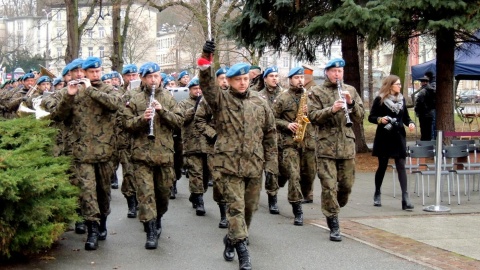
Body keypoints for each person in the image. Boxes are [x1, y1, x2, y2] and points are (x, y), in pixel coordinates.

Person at [198, 40, 278, 270]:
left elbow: (270, 133)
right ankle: (243, 251)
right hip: (228, 165)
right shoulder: (220, 99)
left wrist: (271, 164)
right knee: (235, 208)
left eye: (245, 79)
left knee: (249, 209)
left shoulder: (259, 102)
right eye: (237, 79)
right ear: (230, 81)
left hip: (254, 165)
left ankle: (231, 239)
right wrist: (206, 57)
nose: (242, 83)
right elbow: (205, 83)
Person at [43, 56, 122, 250]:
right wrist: (69, 96)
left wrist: (91, 91)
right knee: (87, 193)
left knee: (103, 192)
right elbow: (58, 116)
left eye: (97, 71)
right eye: (90, 72)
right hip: (81, 153)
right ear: (83, 73)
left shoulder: (106, 89)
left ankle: (102, 221)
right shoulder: (69, 92)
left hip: (105, 151)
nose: (94, 74)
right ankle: (92, 230)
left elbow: (115, 105)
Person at [123, 62, 184, 249]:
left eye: (156, 76)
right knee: (146, 194)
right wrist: (143, 119)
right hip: (142, 156)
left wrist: (162, 111)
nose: (153, 80)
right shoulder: (134, 99)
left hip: (164, 155)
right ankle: (150, 230)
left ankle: (158, 218)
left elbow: (180, 121)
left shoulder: (168, 97)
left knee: (163, 194)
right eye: (149, 77)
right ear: (142, 78)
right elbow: (125, 124)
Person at [307, 58, 364, 242]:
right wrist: (331, 110)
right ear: (327, 72)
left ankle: (334, 208)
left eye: (340, 71)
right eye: (333, 71)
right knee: (329, 186)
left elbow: (361, 117)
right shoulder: (316, 92)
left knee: (346, 186)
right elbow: (312, 116)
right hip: (326, 147)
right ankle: (333, 221)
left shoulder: (351, 90)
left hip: (346, 146)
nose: (337, 74)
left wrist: (351, 104)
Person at [273, 66, 317, 225]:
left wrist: (310, 109)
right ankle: (297, 209)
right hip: (289, 143)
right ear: (290, 79)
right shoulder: (282, 98)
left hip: (308, 142)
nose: (300, 80)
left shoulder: (311, 97)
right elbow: (272, 119)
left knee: (309, 175)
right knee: (294, 175)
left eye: (302, 78)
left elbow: (320, 115)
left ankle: (301, 193)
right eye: (297, 78)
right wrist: (287, 125)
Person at [368, 75, 415, 211]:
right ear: (390, 85)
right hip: (384, 136)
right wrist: (380, 119)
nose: (400, 86)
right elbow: (371, 117)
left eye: (400, 84)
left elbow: (405, 117)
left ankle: (405, 198)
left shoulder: (402, 99)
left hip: (398, 136)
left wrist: (410, 123)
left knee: (401, 165)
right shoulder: (380, 99)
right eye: (398, 84)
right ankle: (377, 192)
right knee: (382, 165)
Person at [194, 66, 230, 228]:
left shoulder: (238, 98)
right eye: (222, 78)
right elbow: (199, 120)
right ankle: (224, 213)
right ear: (216, 80)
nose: (225, 81)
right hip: (214, 147)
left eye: (227, 78)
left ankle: (236, 214)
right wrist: (213, 134)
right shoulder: (208, 99)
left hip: (235, 148)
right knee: (219, 180)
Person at [178, 77, 210, 216]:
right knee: (195, 173)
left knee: (205, 176)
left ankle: (195, 194)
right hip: (192, 145)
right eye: (195, 89)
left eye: (200, 88)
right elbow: (180, 120)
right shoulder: (183, 104)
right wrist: (194, 108)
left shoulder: (208, 104)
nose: (198, 91)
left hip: (207, 145)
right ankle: (200, 202)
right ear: (190, 90)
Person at [258, 66, 282, 214]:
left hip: (281, 139)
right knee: (268, 170)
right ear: (265, 79)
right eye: (271, 76)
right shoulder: (258, 96)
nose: (274, 78)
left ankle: (273, 194)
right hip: (262, 138)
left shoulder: (284, 94)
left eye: (276, 76)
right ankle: (272, 199)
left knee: (277, 171)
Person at [414, 76, 436, 141]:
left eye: (421, 82)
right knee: (429, 130)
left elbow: (418, 102)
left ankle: (424, 144)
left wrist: (417, 111)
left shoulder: (422, 91)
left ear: (423, 82)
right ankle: (429, 142)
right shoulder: (433, 90)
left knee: (424, 131)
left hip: (423, 114)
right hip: (431, 113)